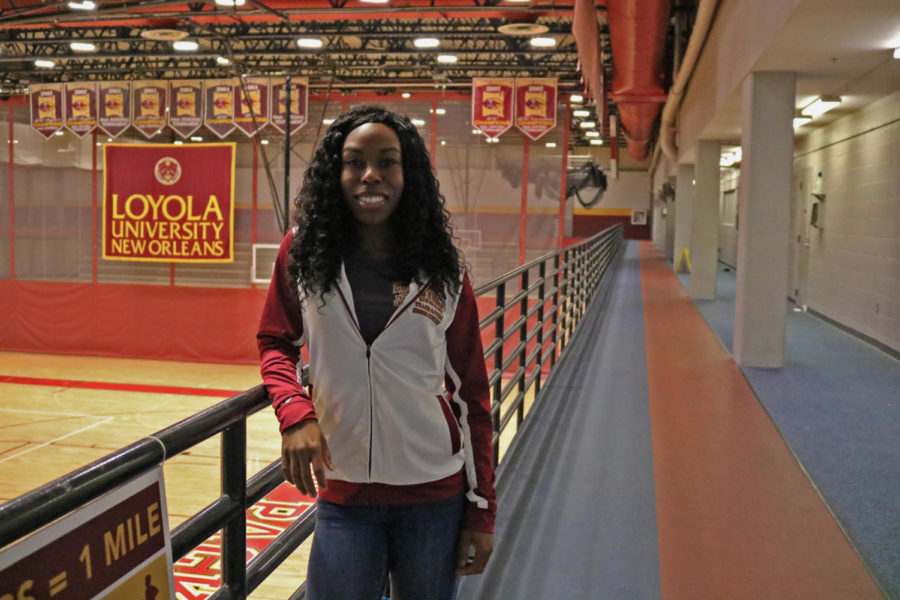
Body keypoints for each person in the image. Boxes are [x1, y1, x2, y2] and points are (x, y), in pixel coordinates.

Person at [257, 105, 496, 600]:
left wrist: (481, 508)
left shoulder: (443, 268)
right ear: (335, 173)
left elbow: (472, 394)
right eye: (354, 162)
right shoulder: (302, 253)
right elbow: (276, 343)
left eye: (387, 161)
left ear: (408, 174)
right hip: (345, 497)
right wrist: (294, 412)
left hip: (434, 496)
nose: (370, 175)